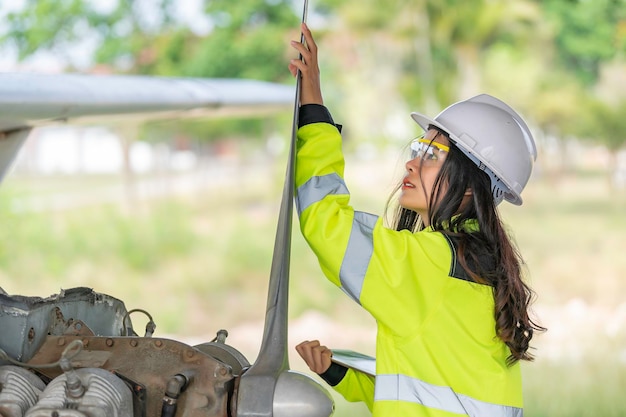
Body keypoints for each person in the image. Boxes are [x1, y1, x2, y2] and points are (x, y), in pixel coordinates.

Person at [289, 23, 544, 417]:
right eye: (418, 147)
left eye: (431, 154)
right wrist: (341, 374)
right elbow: (433, 394)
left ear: (471, 186)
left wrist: (314, 109)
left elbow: (325, 221)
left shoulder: (434, 262)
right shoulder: (480, 267)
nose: (412, 161)